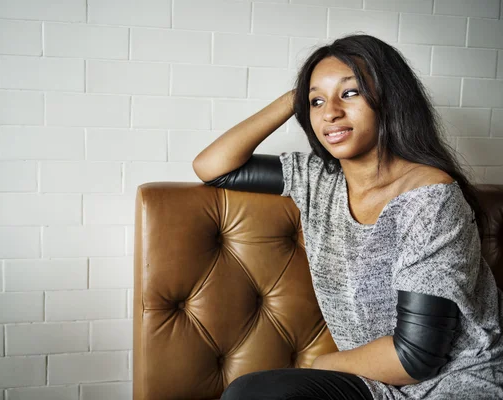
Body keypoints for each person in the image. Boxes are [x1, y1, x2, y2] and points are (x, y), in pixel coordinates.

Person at [192, 34, 503, 400]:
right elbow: (212, 166)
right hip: (374, 384)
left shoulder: (429, 197)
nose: (330, 112)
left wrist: (321, 365)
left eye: (350, 93)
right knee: (252, 393)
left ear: (389, 99)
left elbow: (416, 358)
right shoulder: (317, 179)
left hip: (454, 382)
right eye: (316, 101)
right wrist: (296, 97)